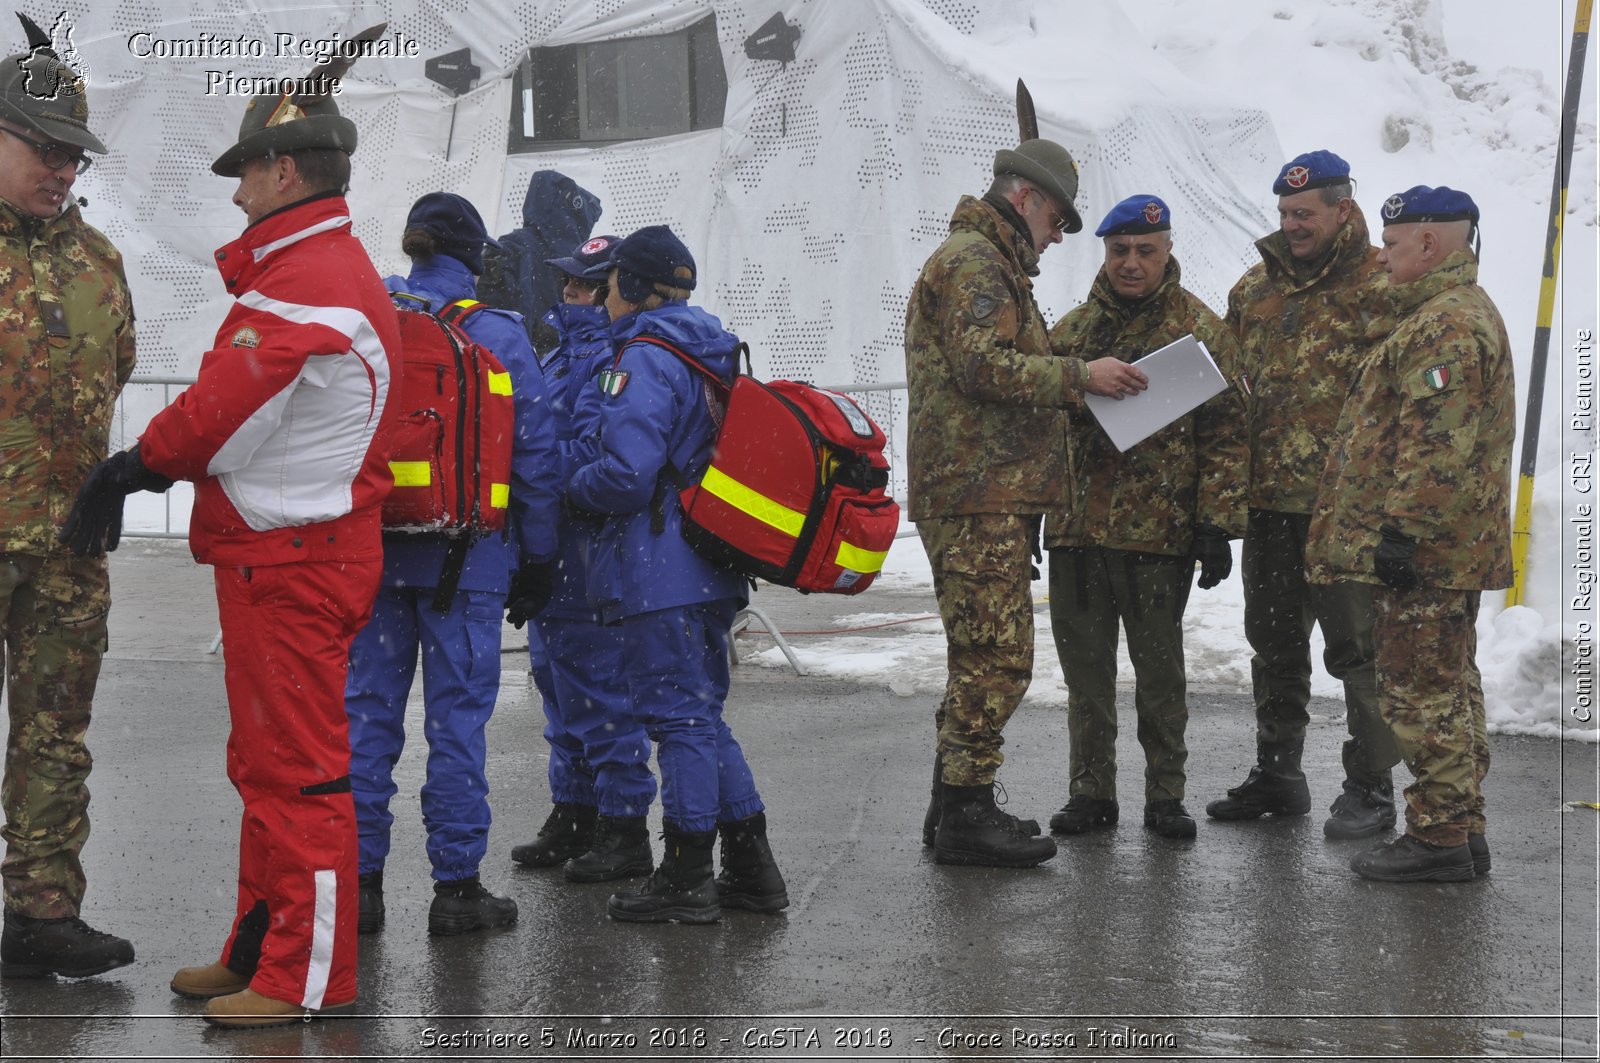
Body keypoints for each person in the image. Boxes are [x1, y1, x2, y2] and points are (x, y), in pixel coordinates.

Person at [63, 80, 400, 1026]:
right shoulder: (307, 271)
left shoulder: (308, 282)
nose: (238, 192)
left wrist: (136, 465)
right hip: (277, 555)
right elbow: (240, 409)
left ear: (284, 168)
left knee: (299, 773)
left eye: (246, 172)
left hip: (296, 562)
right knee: (265, 768)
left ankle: (309, 977)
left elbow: (221, 406)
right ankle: (261, 944)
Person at [904, 138, 1148, 869]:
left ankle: (953, 803)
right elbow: (984, 367)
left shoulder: (987, 260)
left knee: (977, 654)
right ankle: (967, 814)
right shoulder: (977, 263)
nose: (1059, 235)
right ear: (1024, 200)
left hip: (985, 492)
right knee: (997, 657)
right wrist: (1081, 376)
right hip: (978, 494)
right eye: (1056, 219)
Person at [342, 193, 560, 936]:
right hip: (466, 560)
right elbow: (535, 454)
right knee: (457, 723)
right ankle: (457, 888)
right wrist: (540, 554)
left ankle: (361, 885)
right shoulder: (497, 332)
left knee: (366, 717)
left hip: (374, 552)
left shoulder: (372, 320)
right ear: (474, 258)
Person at [565, 225, 786, 924]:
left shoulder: (646, 356)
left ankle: (687, 872)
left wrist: (572, 482)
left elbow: (628, 474)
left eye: (607, 286)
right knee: (701, 715)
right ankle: (753, 866)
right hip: (709, 559)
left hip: (658, 564)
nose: (601, 300)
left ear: (628, 286)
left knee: (678, 718)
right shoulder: (709, 346)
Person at [1306, 186, 1511, 882]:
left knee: (1420, 690)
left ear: (1429, 243)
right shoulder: (1447, 314)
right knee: (1449, 685)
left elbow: (1436, 443)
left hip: (1428, 552)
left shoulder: (1445, 325)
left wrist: (1403, 533)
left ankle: (1439, 835)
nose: (1382, 257)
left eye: (1392, 245)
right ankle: (1459, 826)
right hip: (1446, 548)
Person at [1207, 150, 1403, 838]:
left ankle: (1371, 787)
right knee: (1275, 645)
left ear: (1342, 208)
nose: (1292, 225)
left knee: (1360, 652)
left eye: (1304, 213)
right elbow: (1228, 405)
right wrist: (1220, 505)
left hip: (1351, 513)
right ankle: (1279, 773)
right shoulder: (1252, 293)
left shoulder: (1387, 284)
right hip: (1269, 511)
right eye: (1284, 214)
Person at [1043, 195, 1248, 842]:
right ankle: (1091, 791)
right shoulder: (1071, 335)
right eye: (1119, 251)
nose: (1131, 264)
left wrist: (1216, 524)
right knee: (1086, 676)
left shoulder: (1199, 332)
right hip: (1077, 531)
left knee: (1160, 675)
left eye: (1145, 251)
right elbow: (1036, 429)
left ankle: (1166, 794)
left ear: (1166, 252)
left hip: (1158, 535)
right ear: (1105, 253)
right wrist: (1030, 513)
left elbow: (1228, 433)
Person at [0, 29, 137, 980]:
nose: (62, 166)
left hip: (64, 544)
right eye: (43, 146)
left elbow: (115, 371)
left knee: (56, 730)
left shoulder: (98, 259)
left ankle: (42, 911)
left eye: (73, 153)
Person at [510, 235, 660, 884]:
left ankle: (623, 827)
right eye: (566, 283)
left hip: (587, 554)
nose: (567, 293)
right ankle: (573, 811)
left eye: (581, 285)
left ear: (607, 292)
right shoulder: (558, 352)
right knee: (558, 688)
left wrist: (536, 478)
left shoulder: (605, 357)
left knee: (600, 695)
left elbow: (590, 451)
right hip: (553, 552)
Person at [478, 169, 603, 351]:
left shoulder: (512, 247)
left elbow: (487, 309)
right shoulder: (577, 261)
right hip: (560, 357)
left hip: (509, 351)